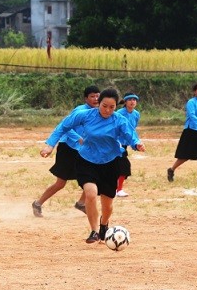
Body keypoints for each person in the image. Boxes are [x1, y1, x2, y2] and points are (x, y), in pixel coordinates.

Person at [40, 88, 145, 244]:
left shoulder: (119, 120)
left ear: (116, 106)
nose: (107, 110)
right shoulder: (85, 115)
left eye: (112, 107)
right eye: (104, 106)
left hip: (110, 162)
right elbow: (63, 126)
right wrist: (50, 145)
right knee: (90, 194)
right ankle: (94, 231)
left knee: (107, 205)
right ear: (99, 103)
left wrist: (137, 144)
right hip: (86, 160)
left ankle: (104, 225)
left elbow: (130, 135)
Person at [32, 85, 100, 217]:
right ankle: (38, 203)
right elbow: (65, 127)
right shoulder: (80, 111)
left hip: (83, 151)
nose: (96, 98)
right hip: (68, 148)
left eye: (97, 96)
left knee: (93, 176)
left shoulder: (100, 112)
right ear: (86, 99)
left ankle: (81, 203)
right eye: (92, 96)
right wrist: (51, 145)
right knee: (60, 183)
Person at [168, 83, 197, 183]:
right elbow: (191, 115)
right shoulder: (191, 102)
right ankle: (171, 170)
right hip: (191, 131)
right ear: (195, 91)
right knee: (185, 156)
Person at [115, 92, 141, 197]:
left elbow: (132, 130)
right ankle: (118, 190)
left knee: (121, 167)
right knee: (124, 166)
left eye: (134, 99)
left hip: (124, 144)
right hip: (116, 144)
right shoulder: (119, 113)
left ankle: (117, 189)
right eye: (130, 99)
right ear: (125, 102)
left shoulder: (136, 114)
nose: (132, 102)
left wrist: (136, 143)